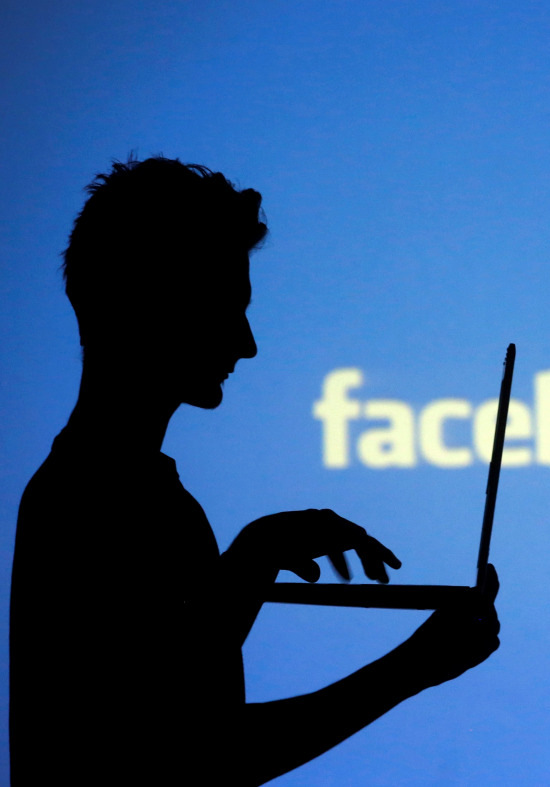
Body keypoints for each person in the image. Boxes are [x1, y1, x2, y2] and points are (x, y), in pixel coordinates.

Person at [10, 157, 501, 786]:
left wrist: (252, 557)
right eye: (225, 306)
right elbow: (195, 755)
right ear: (152, 303)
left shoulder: (104, 491)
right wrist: (411, 668)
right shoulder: (98, 502)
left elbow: (178, 696)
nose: (246, 343)